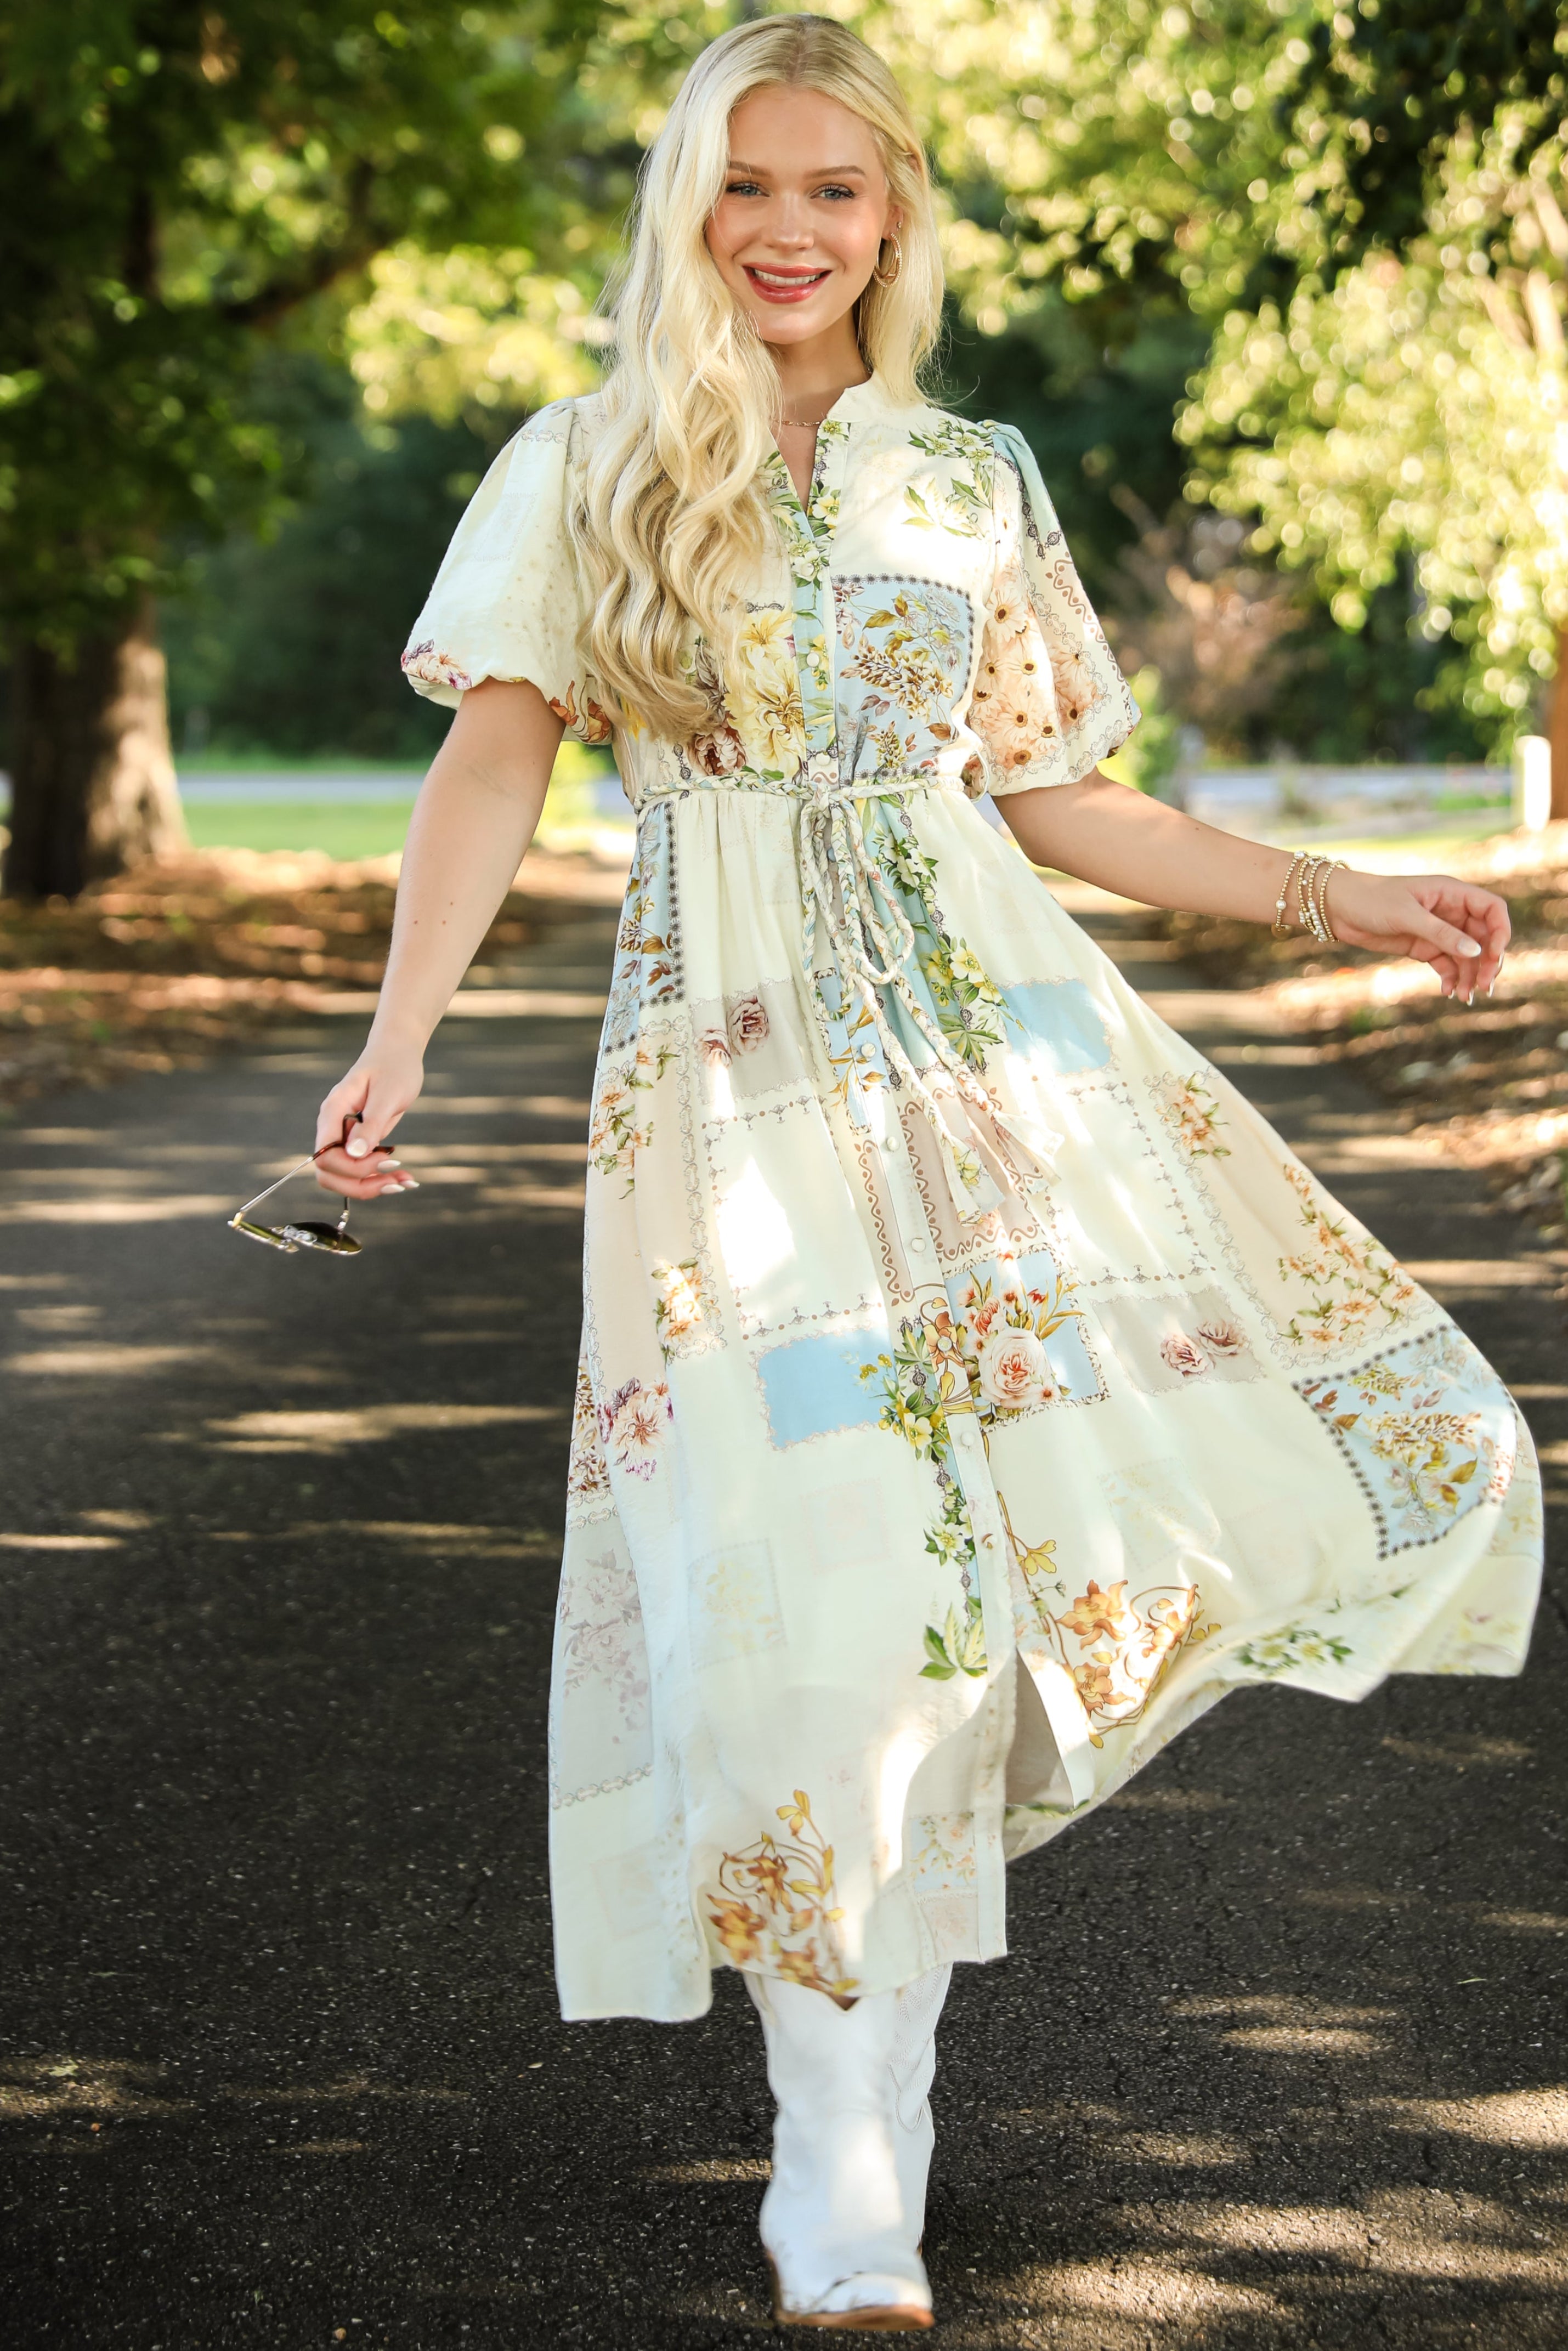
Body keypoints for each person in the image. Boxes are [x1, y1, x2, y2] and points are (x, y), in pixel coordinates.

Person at [311, 15, 1543, 2331]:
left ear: (892, 219)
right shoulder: (582, 460)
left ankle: (874, 2113)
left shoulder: (971, 477)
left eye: (835, 190)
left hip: (994, 1077)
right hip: (724, 1110)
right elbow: (493, 764)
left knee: (989, 1584)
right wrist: (402, 1035)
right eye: (745, 184)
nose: (787, 231)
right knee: (813, 1597)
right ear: (686, 204)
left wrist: (1337, 897)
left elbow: (1058, 796)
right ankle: (840, 2165)